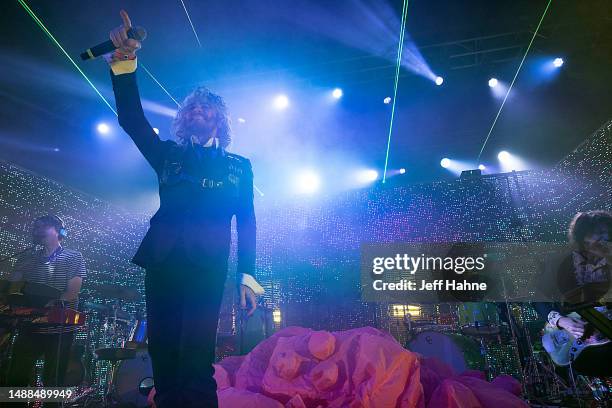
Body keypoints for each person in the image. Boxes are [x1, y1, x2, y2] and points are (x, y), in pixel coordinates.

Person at [105, 10, 264, 407]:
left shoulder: (237, 166)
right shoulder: (168, 156)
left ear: (218, 121)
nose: (196, 112)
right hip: (163, 262)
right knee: (163, 357)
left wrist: (248, 275)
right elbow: (132, 119)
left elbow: (246, 220)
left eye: (205, 109)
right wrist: (125, 63)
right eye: (191, 108)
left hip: (207, 266)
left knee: (195, 357)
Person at [7, 215, 86, 396]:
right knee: (15, 381)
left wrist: (46, 308)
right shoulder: (27, 259)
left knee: (53, 384)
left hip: (59, 330)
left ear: (58, 231)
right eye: (35, 226)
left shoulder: (73, 257)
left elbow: (72, 292)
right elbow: (14, 289)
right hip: (29, 327)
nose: (37, 229)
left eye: (43, 226)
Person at [535, 210, 611, 376]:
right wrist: (562, 321)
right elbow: (538, 299)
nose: (604, 238)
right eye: (598, 233)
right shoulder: (560, 262)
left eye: (607, 234)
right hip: (584, 349)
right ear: (583, 236)